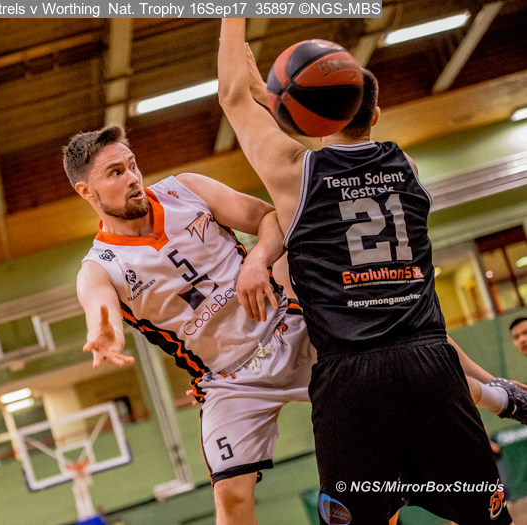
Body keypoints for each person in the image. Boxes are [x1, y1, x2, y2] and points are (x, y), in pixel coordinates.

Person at [217, 18, 513, 524]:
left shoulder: (295, 173)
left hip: (351, 378)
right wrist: (282, 104)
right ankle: (500, 396)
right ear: (372, 112)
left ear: (301, 118)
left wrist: (236, 26)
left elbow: (231, 97)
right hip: (430, 365)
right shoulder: (406, 166)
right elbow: (330, 138)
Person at [64, 125, 316, 525]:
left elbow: (268, 218)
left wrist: (256, 260)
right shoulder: (100, 267)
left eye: (132, 165)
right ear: (86, 191)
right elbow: (98, 306)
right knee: (230, 497)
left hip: (289, 332)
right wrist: (102, 331)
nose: (132, 178)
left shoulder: (186, 190)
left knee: (375, 410)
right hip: (230, 380)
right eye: (115, 173)